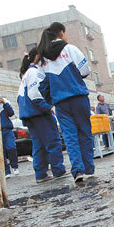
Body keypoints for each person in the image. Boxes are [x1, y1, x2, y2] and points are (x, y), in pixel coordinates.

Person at [38, 22, 94, 183]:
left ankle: (77, 171)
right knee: (84, 132)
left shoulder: (43, 59)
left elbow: (42, 85)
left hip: (60, 102)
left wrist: (52, 99)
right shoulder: (70, 49)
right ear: (61, 33)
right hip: (78, 98)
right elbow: (85, 71)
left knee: (70, 137)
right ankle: (89, 168)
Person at [18, 48, 66, 183]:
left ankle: (41, 174)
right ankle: (58, 170)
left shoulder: (27, 74)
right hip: (38, 112)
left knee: (39, 144)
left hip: (30, 114)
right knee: (53, 141)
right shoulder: (34, 72)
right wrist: (49, 107)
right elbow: (35, 94)